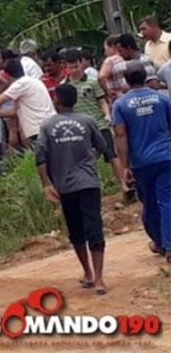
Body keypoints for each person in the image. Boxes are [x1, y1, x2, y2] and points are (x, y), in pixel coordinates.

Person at [36, 84, 111, 295]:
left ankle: (87, 272)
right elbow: (103, 146)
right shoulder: (87, 121)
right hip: (89, 183)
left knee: (76, 230)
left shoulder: (47, 125)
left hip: (65, 186)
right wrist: (89, 160)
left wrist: (46, 184)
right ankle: (99, 279)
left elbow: (40, 156)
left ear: (57, 101)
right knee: (94, 227)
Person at [113, 62, 171, 261]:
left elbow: (120, 135)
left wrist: (124, 166)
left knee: (149, 203)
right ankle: (169, 246)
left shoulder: (120, 105)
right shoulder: (162, 99)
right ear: (145, 76)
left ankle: (160, 243)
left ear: (126, 80)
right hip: (165, 157)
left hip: (140, 163)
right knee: (167, 201)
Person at [63, 50, 134, 203]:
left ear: (82, 64)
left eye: (76, 66)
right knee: (88, 160)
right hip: (80, 128)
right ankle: (93, 190)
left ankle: (124, 186)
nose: (74, 70)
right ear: (66, 67)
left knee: (111, 155)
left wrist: (107, 114)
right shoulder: (65, 86)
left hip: (99, 124)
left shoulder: (92, 81)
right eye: (71, 67)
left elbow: (101, 100)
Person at [0, 59, 55, 145]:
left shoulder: (21, 84)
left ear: (7, 75)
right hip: (50, 125)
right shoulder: (33, 81)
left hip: (38, 129)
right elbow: (14, 112)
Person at [108, 33, 156, 98]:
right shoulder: (124, 63)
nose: (119, 54)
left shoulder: (143, 60)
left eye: (120, 51)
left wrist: (131, 89)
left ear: (128, 48)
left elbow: (153, 84)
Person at [98, 35, 125, 102]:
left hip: (116, 96)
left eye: (106, 49)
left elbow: (101, 77)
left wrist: (108, 91)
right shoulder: (124, 58)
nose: (105, 52)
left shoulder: (110, 61)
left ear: (112, 46)